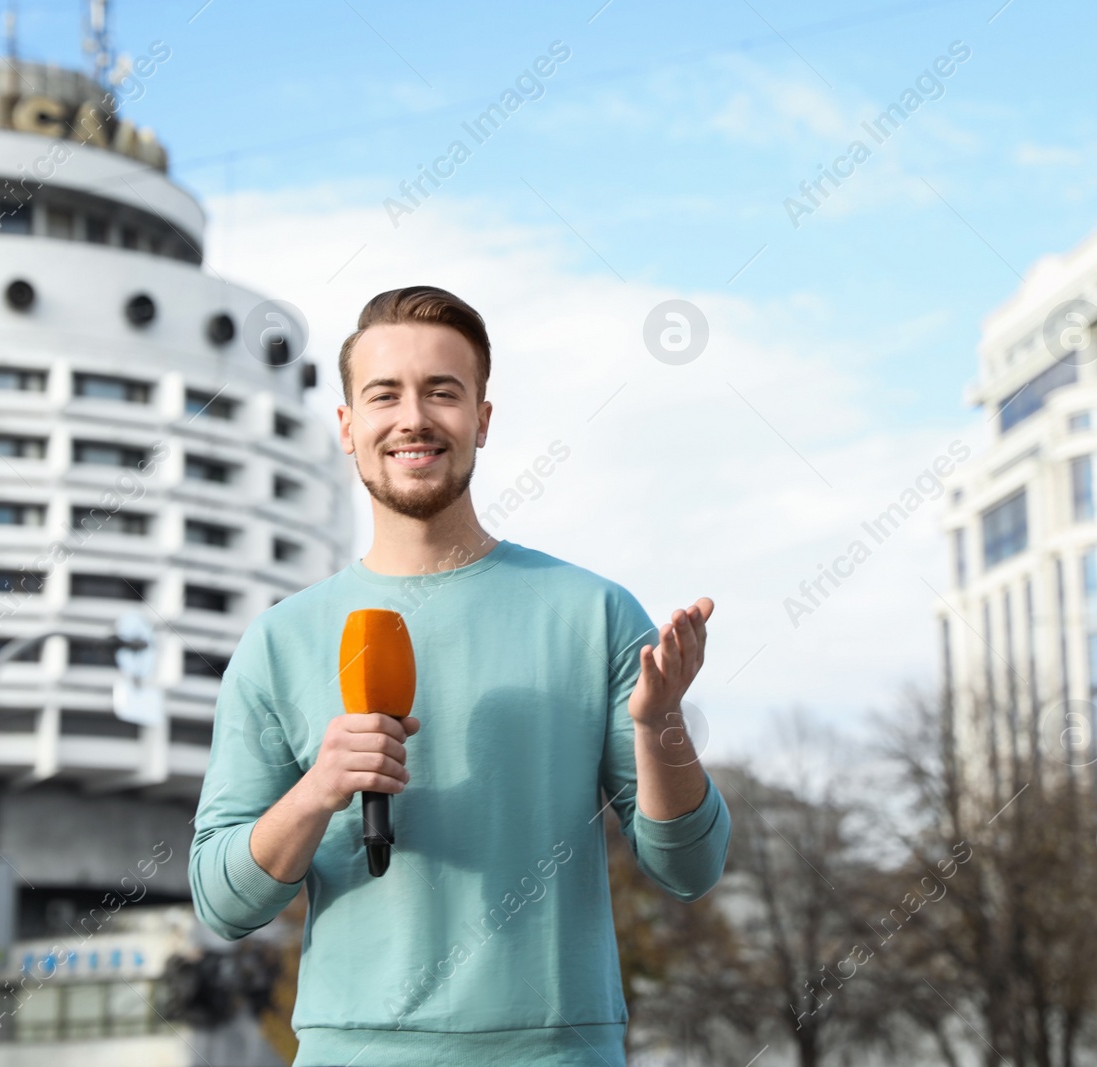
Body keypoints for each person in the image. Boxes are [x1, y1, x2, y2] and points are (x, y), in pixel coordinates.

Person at [189, 285, 730, 1066]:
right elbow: (223, 900)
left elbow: (690, 868)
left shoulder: (595, 612)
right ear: (347, 426)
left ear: (481, 417)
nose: (414, 417)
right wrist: (317, 790)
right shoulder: (279, 641)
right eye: (385, 395)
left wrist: (660, 727)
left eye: (443, 391)